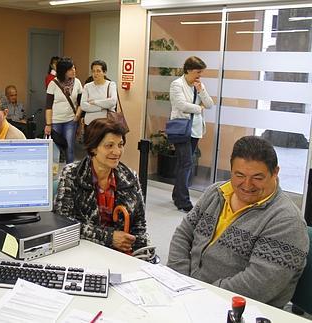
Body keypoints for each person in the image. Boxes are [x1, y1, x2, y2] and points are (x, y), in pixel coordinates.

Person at [167, 136, 309, 308]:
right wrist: (179, 278)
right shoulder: (216, 192)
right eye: (239, 175)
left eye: (258, 177)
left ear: (275, 172)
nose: (247, 185)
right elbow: (183, 233)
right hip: (186, 293)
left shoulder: (287, 221)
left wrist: (201, 295)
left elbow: (258, 285)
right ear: (231, 170)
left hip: (234, 309)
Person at [54, 117, 152, 256]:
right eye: (109, 145)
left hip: (121, 255)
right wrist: (109, 237)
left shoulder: (130, 177)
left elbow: (139, 226)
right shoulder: (72, 174)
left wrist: (143, 256)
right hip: (84, 251)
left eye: (120, 144)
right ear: (93, 147)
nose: (117, 152)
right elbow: (63, 223)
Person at [169, 56, 214, 212]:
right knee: (187, 163)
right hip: (181, 129)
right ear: (188, 70)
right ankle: (183, 201)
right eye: (197, 72)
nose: (199, 75)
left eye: (201, 72)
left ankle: (177, 195)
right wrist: (198, 108)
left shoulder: (199, 85)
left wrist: (201, 91)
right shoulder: (177, 85)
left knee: (184, 163)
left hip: (195, 130)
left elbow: (209, 104)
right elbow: (181, 105)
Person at [44, 57, 83, 164]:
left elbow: (81, 103)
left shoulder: (78, 83)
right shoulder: (53, 84)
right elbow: (48, 106)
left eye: (74, 68)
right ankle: (54, 173)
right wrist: (48, 124)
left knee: (69, 148)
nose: (74, 71)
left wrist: (77, 116)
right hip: (55, 120)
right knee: (55, 149)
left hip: (70, 120)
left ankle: (69, 172)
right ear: (63, 71)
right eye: (70, 69)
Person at [80, 60, 117, 126]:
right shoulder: (87, 86)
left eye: (98, 71)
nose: (95, 73)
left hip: (106, 123)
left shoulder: (111, 84)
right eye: (93, 71)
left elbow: (112, 102)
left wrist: (95, 102)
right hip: (89, 123)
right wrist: (103, 107)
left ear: (104, 72)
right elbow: (83, 106)